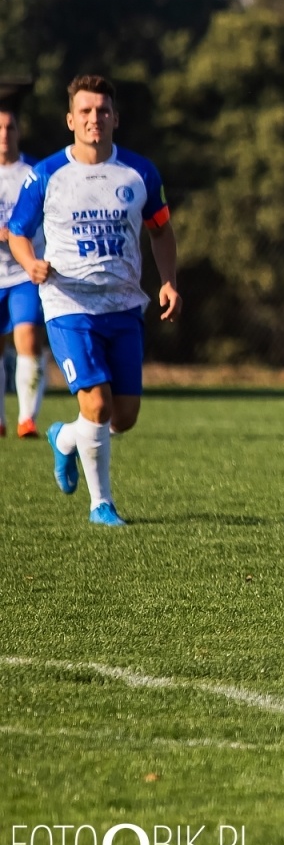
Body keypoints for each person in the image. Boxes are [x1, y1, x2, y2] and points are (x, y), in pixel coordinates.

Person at [6, 75, 181, 527]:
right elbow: (18, 231)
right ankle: (101, 504)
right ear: (70, 120)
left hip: (124, 306)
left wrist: (168, 281)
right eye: (85, 111)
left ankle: (65, 437)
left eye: (102, 110)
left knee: (124, 417)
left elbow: (161, 230)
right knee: (98, 406)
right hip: (69, 305)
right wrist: (30, 263)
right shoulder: (46, 174)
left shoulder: (140, 173)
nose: (94, 118)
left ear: (115, 118)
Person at [0, 94, 45, 438]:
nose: (4, 134)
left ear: (19, 131)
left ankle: (27, 418)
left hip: (23, 273)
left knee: (27, 338)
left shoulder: (36, 172)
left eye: (10, 127)